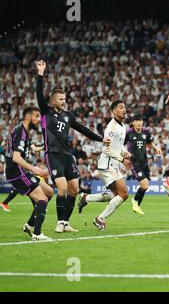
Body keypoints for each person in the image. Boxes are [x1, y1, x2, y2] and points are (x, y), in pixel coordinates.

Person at [35, 60, 109, 233]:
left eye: (65, 99)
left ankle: (66, 223)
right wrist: (40, 74)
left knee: (74, 189)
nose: (64, 101)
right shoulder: (46, 112)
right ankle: (59, 223)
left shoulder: (68, 116)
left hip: (67, 155)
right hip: (52, 153)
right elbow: (39, 94)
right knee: (62, 187)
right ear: (53, 101)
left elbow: (82, 129)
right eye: (61, 99)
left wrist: (100, 139)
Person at [78, 101, 131, 230]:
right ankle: (100, 218)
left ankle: (87, 197)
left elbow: (117, 146)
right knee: (124, 194)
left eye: (124, 107)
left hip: (113, 163)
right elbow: (106, 149)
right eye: (120, 107)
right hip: (107, 164)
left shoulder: (122, 126)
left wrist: (125, 153)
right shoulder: (111, 127)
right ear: (114, 111)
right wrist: (122, 159)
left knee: (115, 195)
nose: (124, 110)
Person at [5, 107, 54, 240]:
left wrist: (46, 145)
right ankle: (37, 234)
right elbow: (16, 157)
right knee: (42, 199)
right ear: (28, 117)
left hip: (21, 170)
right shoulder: (21, 131)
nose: (39, 120)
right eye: (37, 116)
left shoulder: (24, 131)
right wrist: (35, 169)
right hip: (17, 172)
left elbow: (33, 148)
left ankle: (29, 225)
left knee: (49, 192)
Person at [124, 115, 162, 215]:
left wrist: (156, 148)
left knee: (146, 186)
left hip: (144, 162)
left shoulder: (146, 132)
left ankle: (136, 204)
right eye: (137, 120)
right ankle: (135, 203)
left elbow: (150, 142)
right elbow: (119, 145)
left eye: (140, 120)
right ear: (133, 123)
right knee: (144, 185)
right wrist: (123, 157)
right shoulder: (128, 133)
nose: (139, 122)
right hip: (134, 162)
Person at [1, 144, 45, 212]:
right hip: (17, 169)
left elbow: (34, 148)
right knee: (31, 186)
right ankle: (37, 205)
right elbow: (16, 157)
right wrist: (33, 169)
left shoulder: (26, 140)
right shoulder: (20, 138)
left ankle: (5, 203)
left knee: (30, 185)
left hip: (22, 169)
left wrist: (43, 147)